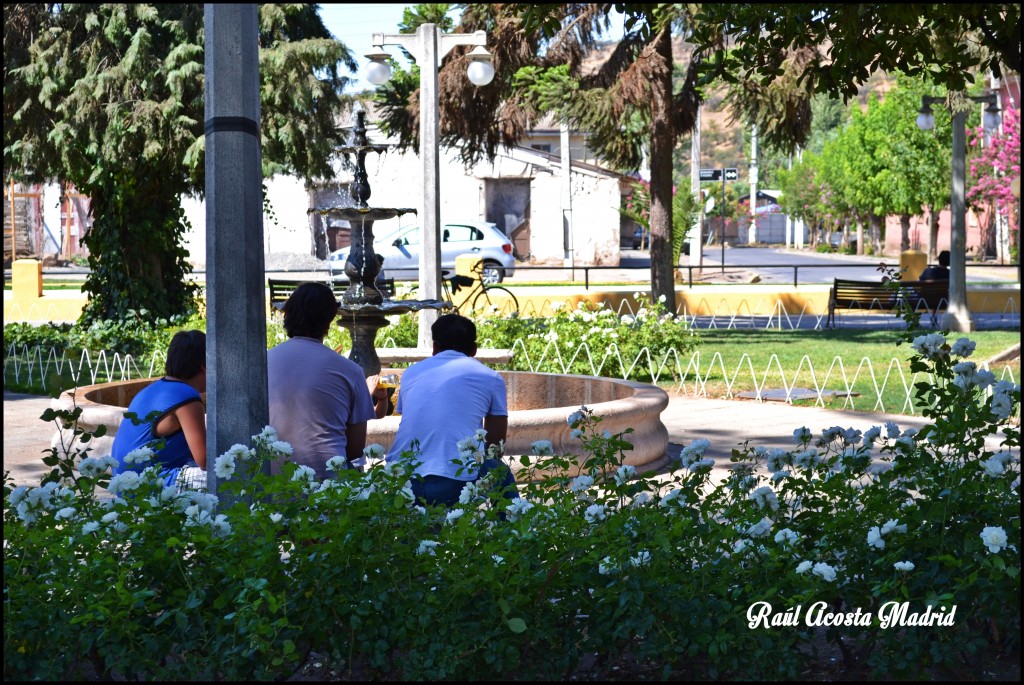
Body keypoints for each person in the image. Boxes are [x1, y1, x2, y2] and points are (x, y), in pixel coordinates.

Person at [385, 313, 518, 506]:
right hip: (456, 479)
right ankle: (514, 530)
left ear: (434, 347)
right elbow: (495, 447)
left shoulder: (411, 372)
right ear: (474, 349)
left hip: (401, 479)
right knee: (500, 472)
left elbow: (416, 421)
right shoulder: (491, 377)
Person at [267, 281, 386, 479]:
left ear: (287, 314)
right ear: (330, 319)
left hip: (271, 482)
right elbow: (355, 451)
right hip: (328, 487)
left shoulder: (262, 363)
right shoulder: (350, 371)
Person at [111, 330, 208, 492]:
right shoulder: (188, 397)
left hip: (124, 484)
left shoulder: (154, 388)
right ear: (204, 366)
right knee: (230, 475)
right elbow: (204, 460)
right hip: (148, 486)